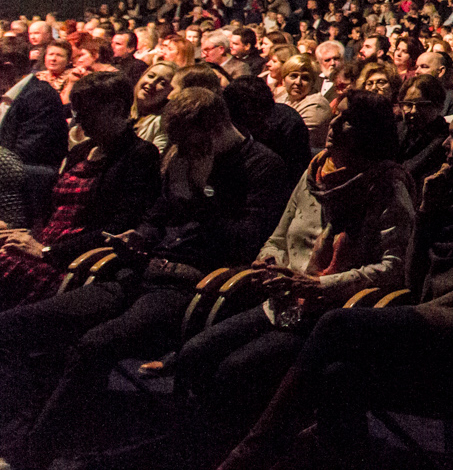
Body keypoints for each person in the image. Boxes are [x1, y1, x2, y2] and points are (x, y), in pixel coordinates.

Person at [217, 98, 453, 470]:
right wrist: (428, 212)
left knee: (337, 323)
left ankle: (254, 451)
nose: (446, 145)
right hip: (437, 323)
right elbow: (415, 279)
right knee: (336, 375)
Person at [0, 87, 292, 469]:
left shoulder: (263, 166)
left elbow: (246, 239)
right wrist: (139, 236)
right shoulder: (182, 157)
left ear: (214, 128)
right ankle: (19, 431)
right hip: (140, 271)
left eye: (187, 141)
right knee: (15, 324)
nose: (180, 149)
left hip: (190, 288)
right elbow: (158, 215)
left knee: (93, 344)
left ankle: (34, 452)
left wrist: (202, 195)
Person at [150, 92, 415, 446]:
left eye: (347, 120)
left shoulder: (386, 186)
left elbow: (394, 268)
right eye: (335, 116)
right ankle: (204, 443)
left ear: (370, 131)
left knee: (235, 369)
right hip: (284, 301)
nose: (334, 125)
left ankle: (242, 448)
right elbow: (278, 236)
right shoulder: (315, 172)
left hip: (331, 314)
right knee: (196, 353)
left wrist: (320, 285)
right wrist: (269, 263)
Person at [0, 72, 161, 311]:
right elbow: (52, 211)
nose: (79, 119)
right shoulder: (81, 151)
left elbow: (118, 227)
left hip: (74, 262)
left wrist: (47, 251)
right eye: (77, 112)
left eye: (87, 111)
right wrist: (24, 236)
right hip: (43, 246)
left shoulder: (139, 155)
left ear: (117, 108)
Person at [396, 75, 450, 184]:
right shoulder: (396, 130)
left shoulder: (447, 137)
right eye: (408, 104)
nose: (414, 111)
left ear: (439, 106)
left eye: (422, 105)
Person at [280, 54, 334, 150]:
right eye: (293, 76)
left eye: (305, 78)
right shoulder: (283, 98)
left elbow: (290, 138)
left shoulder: (317, 105)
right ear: (283, 80)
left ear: (313, 82)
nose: (298, 82)